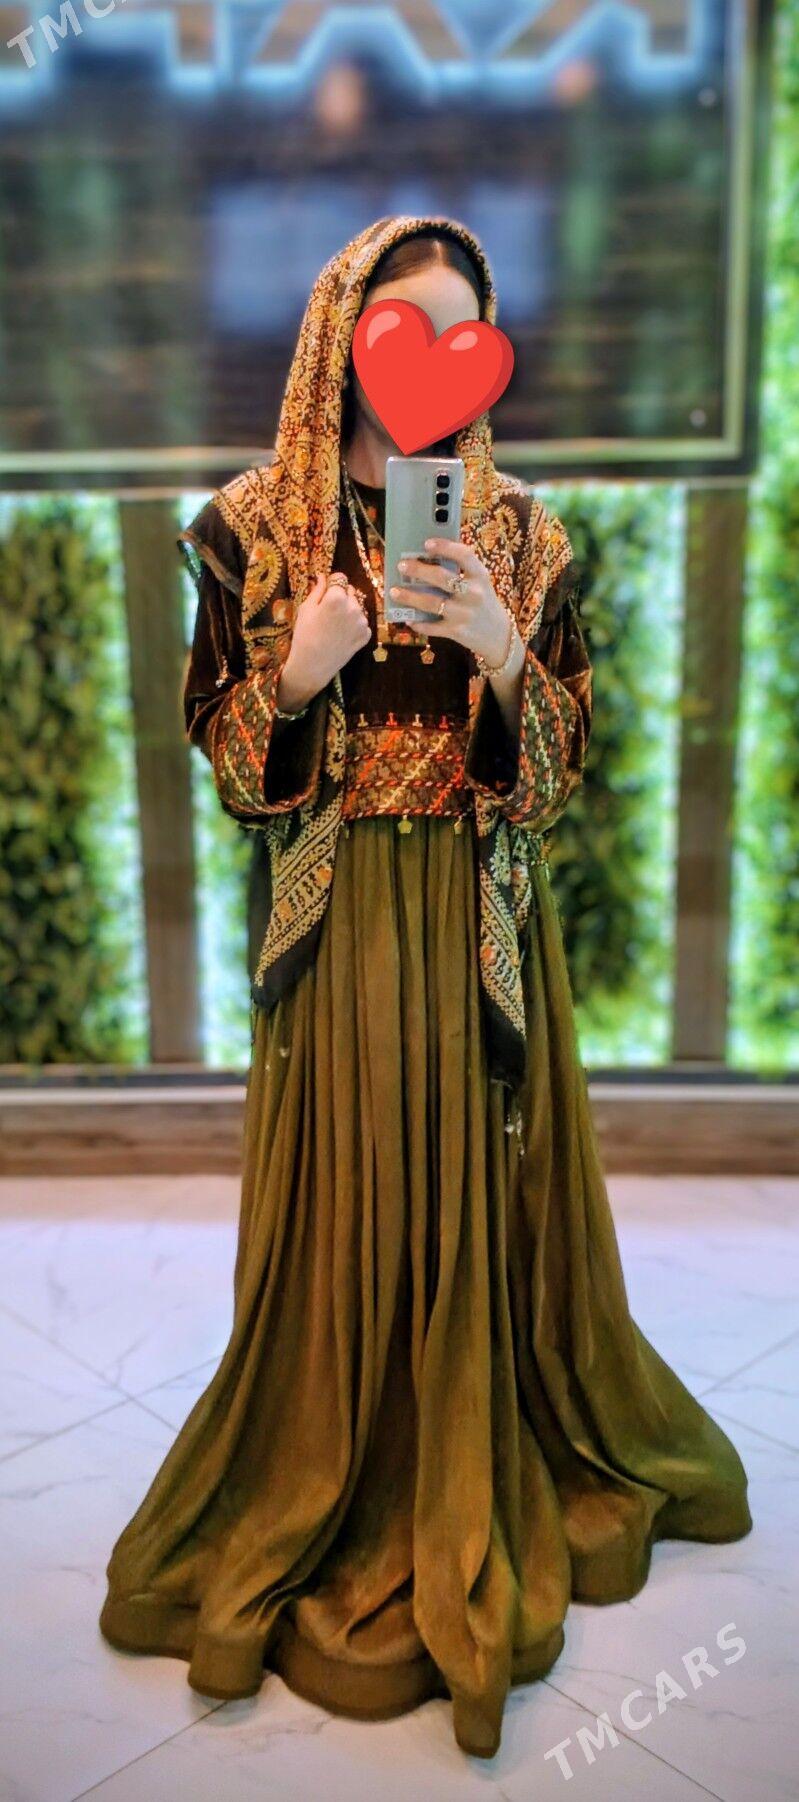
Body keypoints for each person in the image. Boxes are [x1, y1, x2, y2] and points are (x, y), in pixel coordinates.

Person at [98, 214, 752, 1761]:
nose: (425, 378)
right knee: (345, 1195)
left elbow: (560, 773)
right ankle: (328, 1454)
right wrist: (303, 667)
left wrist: (507, 658)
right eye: (402, 336)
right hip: (339, 926)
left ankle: (480, 1431)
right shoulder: (255, 529)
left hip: (473, 917)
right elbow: (231, 763)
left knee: (473, 1187)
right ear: (342, 341)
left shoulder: (517, 532)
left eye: (458, 340)